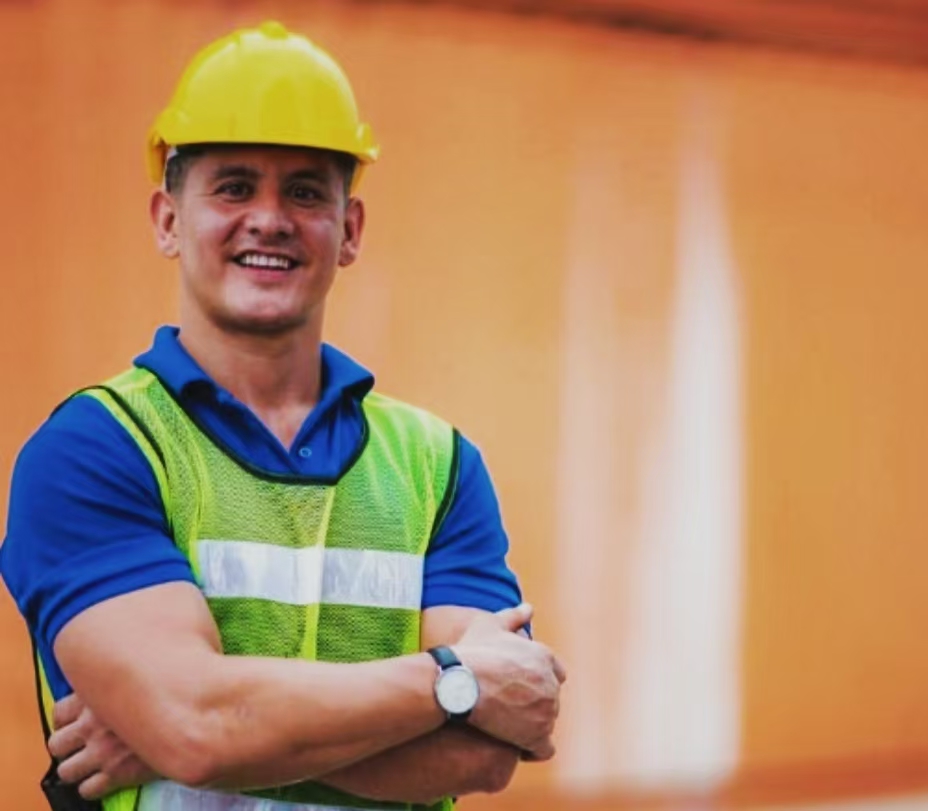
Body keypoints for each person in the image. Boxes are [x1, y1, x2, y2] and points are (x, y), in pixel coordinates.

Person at [0, 20, 565, 811]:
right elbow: (196, 727)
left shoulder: (438, 465)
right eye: (234, 187)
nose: (269, 218)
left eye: (304, 191)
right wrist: (454, 680)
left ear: (349, 230)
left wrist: (199, 730)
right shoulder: (96, 450)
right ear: (168, 219)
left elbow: (484, 752)